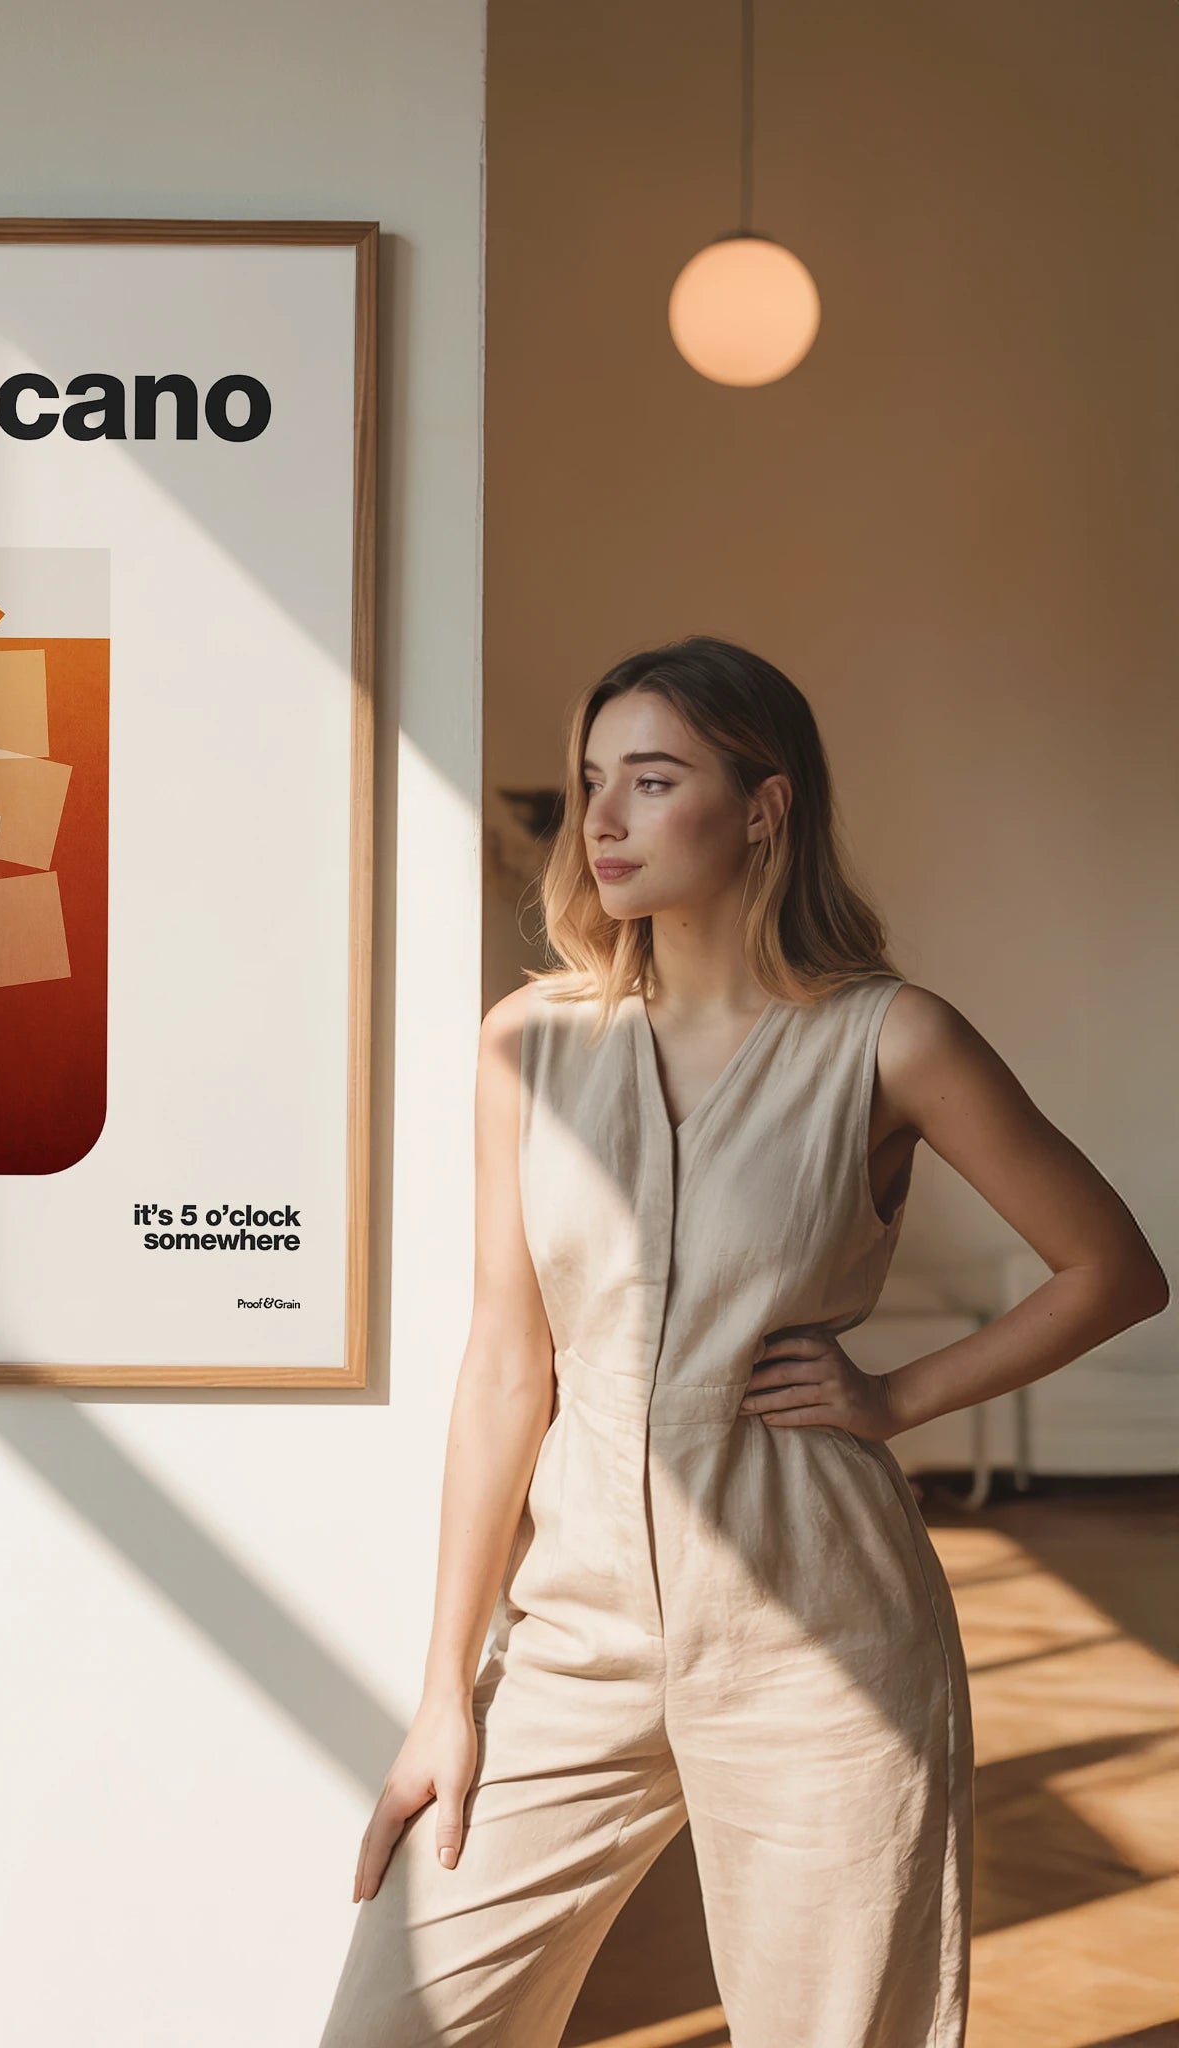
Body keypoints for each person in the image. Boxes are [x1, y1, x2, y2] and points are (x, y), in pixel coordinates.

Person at [318, 637, 1168, 2048]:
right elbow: (503, 1367)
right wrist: (445, 1696)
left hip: (820, 1643)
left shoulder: (890, 1040)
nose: (602, 819)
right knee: (396, 2027)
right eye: (595, 781)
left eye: (652, 781)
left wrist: (898, 1396)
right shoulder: (529, 1044)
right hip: (573, 1642)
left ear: (764, 808)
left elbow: (1112, 1270)